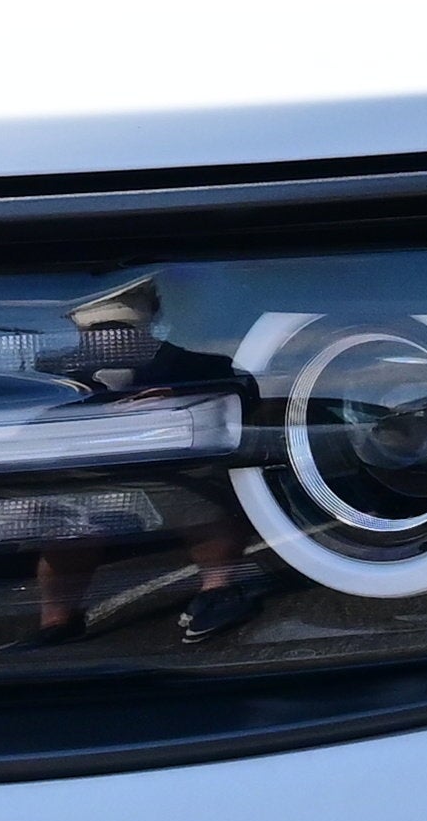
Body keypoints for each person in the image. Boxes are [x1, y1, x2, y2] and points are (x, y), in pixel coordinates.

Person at [24, 276, 273, 646]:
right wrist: (91, 413)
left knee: (201, 500)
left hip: (172, 469)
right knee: (67, 524)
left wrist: (177, 396)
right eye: (100, 329)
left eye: (122, 327)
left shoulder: (192, 364)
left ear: (150, 317)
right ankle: (57, 621)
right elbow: (29, 420)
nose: (111, 338)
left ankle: (220, 586)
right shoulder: (53, 373)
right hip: (88, 472)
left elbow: (243, 389)